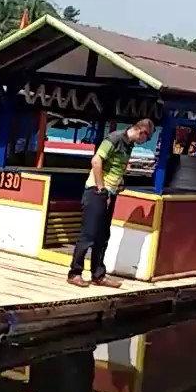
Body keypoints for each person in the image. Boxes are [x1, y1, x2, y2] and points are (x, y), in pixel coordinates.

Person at [68, 119, 155, 287]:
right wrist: (101, 188)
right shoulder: (114, 139)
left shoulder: (129, 146)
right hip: (96, 191)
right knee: (88, 234)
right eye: (148, 138)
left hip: (110, 193)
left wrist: (118, 183)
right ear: (142, 132)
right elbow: (96, 161)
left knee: (102, 236)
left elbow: (117, 167)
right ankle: (75, 273)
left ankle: (98, 275)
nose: (146, 141)